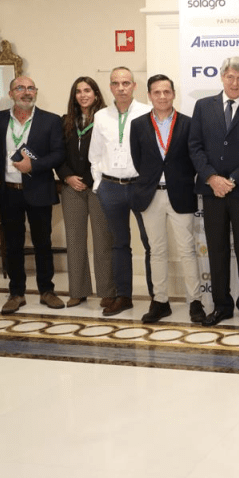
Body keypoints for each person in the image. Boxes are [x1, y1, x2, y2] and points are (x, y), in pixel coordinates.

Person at [188, 56, 239, 328]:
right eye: (231, 77)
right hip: (212, 192)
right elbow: (195, 146)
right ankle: (222, 306)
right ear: (222, 77)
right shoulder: (203, 106)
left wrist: (232, 180)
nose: (235, 83)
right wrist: (212, 178)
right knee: (217, 250)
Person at [129, 75, 205, 324]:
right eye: (157, 92)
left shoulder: (188, 123)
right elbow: (138, 160)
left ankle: (195, 301)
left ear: (173, 94)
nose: (162, 97)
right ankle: (160, 301)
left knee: (187, 250)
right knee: (157, 251)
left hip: (180, 194)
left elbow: (194, 158)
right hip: (150, 195)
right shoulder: (138, 124)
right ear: (149, 95)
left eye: (166, 92)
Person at [0, 75, 65, 313]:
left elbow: (58, 154)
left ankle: (47, 291)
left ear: (36, 92)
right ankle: (16, 293)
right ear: (11, 93)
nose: (26, 92)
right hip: (8, 192)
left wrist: (34, 165)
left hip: (39, 190)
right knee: (13, 245)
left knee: (43, 243)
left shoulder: (51, 120)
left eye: (31, 88)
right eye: (20, 88)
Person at [89, 67, 153, 317]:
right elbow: (95, 154)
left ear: (134, 86)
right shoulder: (101, 116)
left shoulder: (147, 112)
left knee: (150, 243)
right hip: (111, 187)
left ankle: (157, 298)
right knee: (119, 245)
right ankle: (123, 296)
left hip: (139, 187)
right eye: (116, 83)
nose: (121, 88)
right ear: (110, 87)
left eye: (126, 83)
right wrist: (99, 184)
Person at [58, 77, 116, 310]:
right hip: (71, 187)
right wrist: (67, 176)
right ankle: (78, 291)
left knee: (103, 240)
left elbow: (110, 152)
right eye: (79, 91)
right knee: (74, 240)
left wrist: (91, 179)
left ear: (96, 94)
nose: (83, 95)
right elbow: (57, 153)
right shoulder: (65, 122)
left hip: (99, 186)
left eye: (87, 90)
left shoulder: (107, 119)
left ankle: (107, 291)